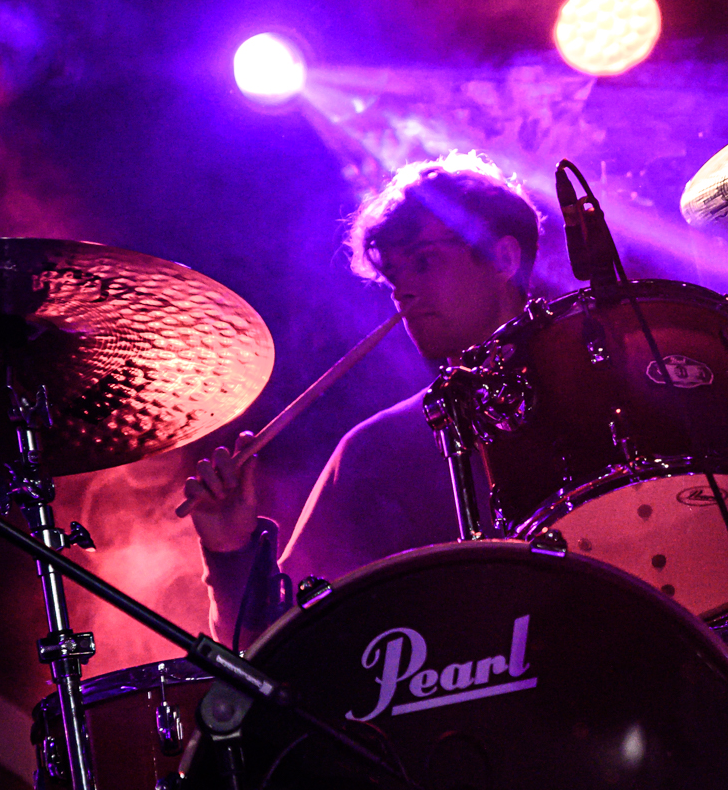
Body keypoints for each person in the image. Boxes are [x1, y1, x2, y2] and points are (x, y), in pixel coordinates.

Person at [182, 151, 542, 646]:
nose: (403, 293)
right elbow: (271, 648)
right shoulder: (375, 450)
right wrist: (230, 552)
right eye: (394, 276)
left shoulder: (609, 389)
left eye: (424, 261)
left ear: (504, 259)